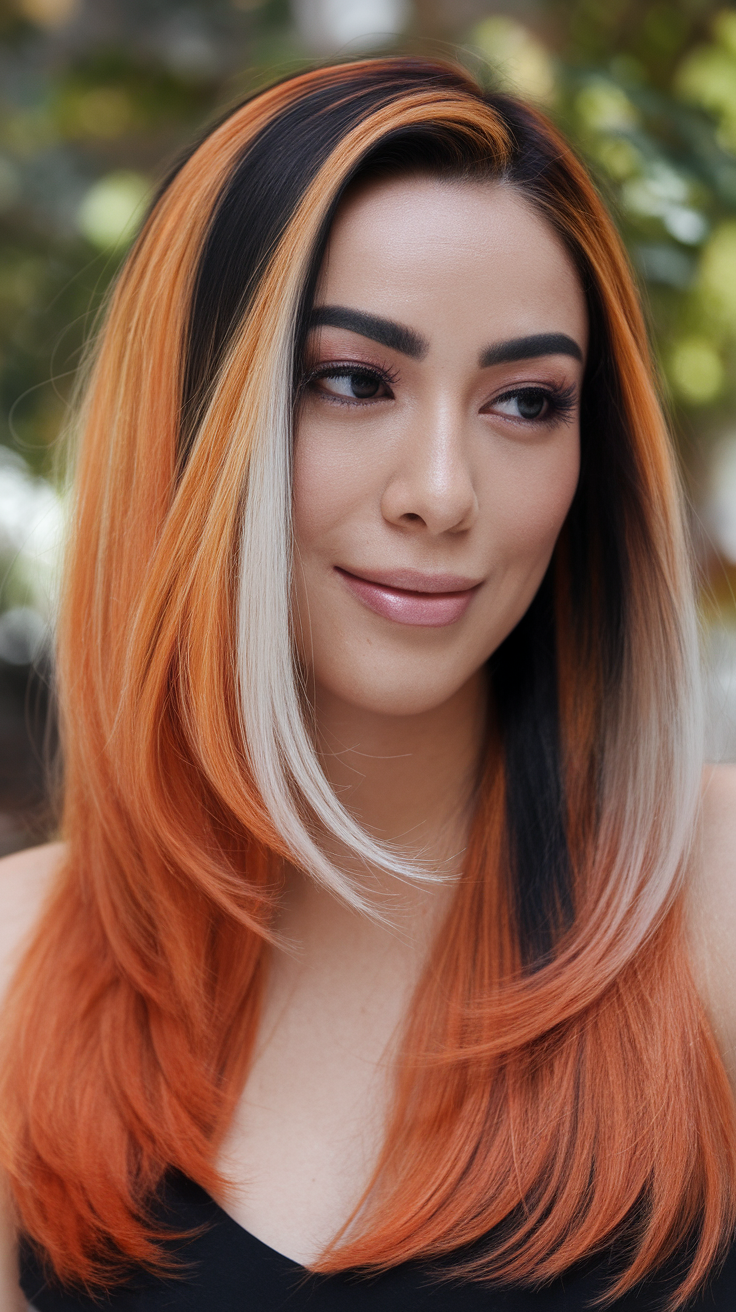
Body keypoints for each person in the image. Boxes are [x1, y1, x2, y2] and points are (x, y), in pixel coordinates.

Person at [1, 55, 735, 1311]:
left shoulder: (714, 907)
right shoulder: (14, 969)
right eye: (353, 380)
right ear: (190, 418)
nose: (441, 490)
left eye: (524, 401)